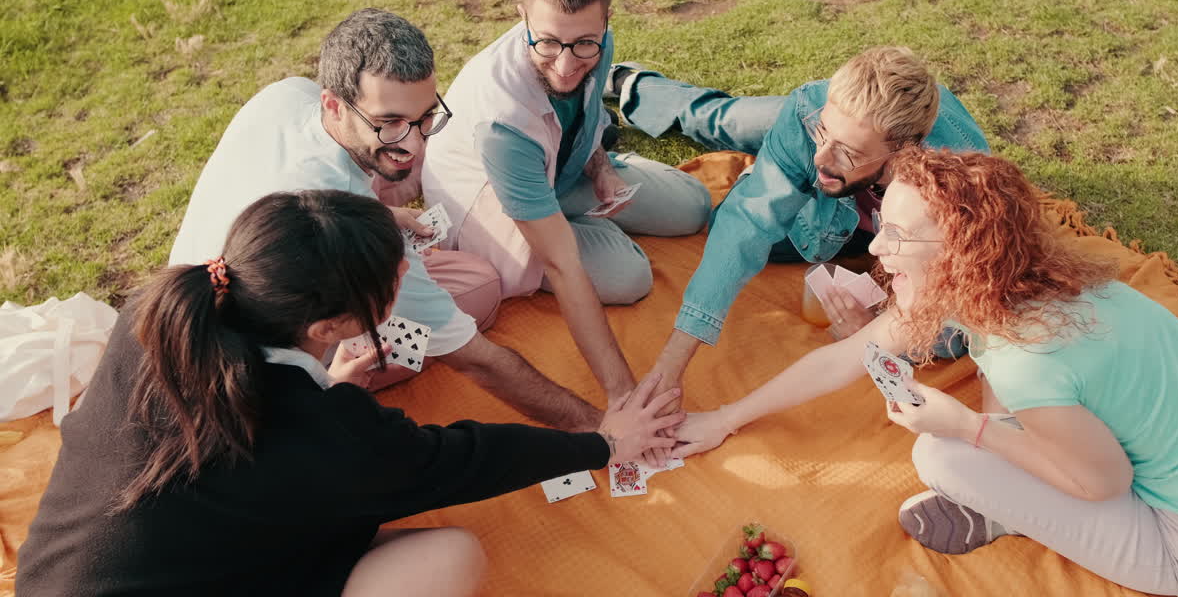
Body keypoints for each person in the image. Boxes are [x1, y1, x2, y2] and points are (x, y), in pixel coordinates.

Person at [671, 148, 1178, 596]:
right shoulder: (1029, 284)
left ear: (961, 256)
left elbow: (1106, 484)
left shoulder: (1025, 360)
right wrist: (726, 418)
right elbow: (841, 358)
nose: (877, 250)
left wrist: (968, 428)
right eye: (884, 225)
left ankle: (1001, 513)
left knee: (940, 457)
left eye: (899, 236)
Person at [17, 190, 683, 597]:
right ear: (330, 327)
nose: (412, 269)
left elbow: (251, 449)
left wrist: (326, 387)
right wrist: (601, 443)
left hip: (52, 578)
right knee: (451, 557)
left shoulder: (161, 311)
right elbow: (464, 458)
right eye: (397, 273)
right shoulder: (327, 433)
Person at [169, 8, 603, 430]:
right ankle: (339, 385)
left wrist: (384, 210)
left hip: (193, 303)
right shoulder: (339, 228)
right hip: (249, 388)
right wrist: (599, 427)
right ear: (334, 105)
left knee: (469, 275)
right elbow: (478, 361)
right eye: (388, 123)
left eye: (425, 117)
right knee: (481, 289)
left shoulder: (286, 96)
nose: (413, 146)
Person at [614, 48, 988, 417]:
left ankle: (774, 164)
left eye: (849, 152)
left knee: (769, 150)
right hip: (829, 211)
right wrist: (669, 368)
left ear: (903, 153)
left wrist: (879, 332)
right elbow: (742, 229)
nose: (820, 158)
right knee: (725, 131)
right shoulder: (808, 114)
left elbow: (961, 324)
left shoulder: (960, 186)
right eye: (821, 132)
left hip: (857, 216)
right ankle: (634, 85)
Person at [421, 0, 711, 405]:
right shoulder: (502, 124)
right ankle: (567, 228)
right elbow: (562, 263)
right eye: (549, 42)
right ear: (522, 17)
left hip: (561, 168)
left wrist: (600, 167)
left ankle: (583, 210)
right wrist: (621, 394)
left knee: (694, 206)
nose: (566, 64)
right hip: (494, 205)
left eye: (583, 45)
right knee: (629, 277)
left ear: (605, 21)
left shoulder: (595, 41)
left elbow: (587, 109)